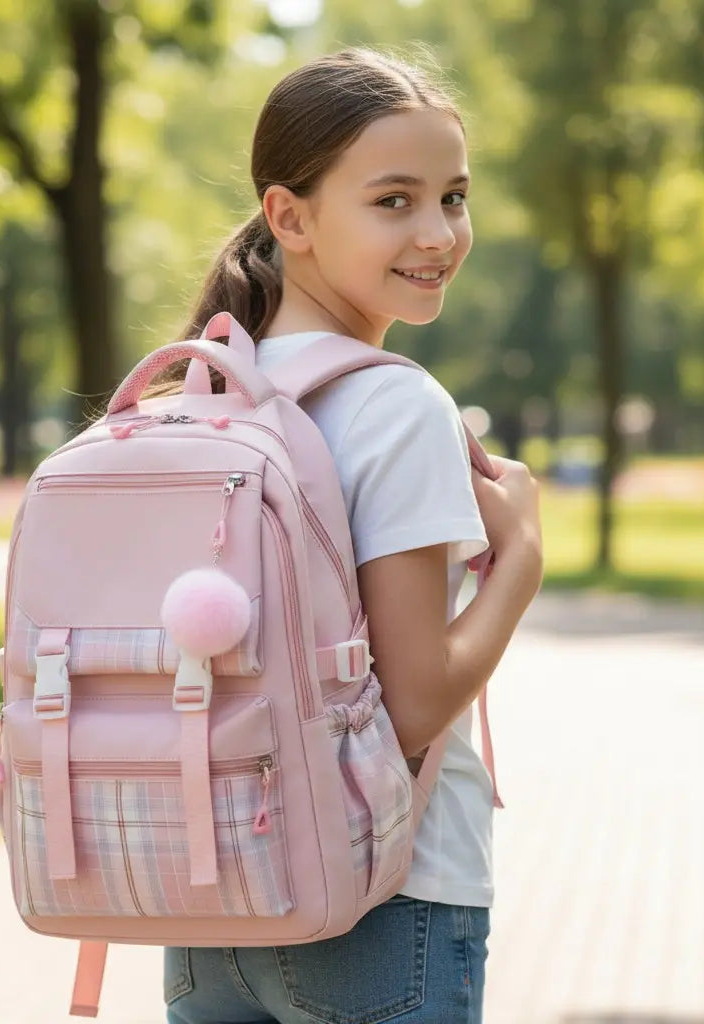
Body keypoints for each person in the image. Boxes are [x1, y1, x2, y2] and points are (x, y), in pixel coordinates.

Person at [155, 45, 543, 1024]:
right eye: (393, 201)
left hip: (213, 902)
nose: (438, 233)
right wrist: (522, 562)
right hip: (382, 897)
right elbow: (412, 705)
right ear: (290, 217)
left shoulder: (200, 395)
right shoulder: (397, 407)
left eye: (453, 197)